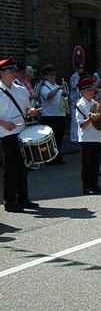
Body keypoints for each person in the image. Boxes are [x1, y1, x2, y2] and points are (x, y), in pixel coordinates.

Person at [0, 58, 41, 212]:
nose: (13, 73)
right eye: (10, 71)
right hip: (5, 135)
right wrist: (4, 123)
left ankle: (23, 198)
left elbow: (26, 110)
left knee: (23, 167)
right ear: (1, 73)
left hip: (22, 133)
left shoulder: (21, 90)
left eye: (14, 70)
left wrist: (31, 112)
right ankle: (10, 201)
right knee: (10, 169)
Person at [75, 76, 101, 194]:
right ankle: (86, 187)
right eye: (89, 90)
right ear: (83, 92)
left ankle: (95, 185)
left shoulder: (96, 103)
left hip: (97, 136)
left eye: (93, 90)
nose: (92, 92)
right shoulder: (80, 104)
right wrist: (90, 119)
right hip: (86, 138)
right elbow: (81, 125)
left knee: (95, 163)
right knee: (87, 164)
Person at [38, 64, 68, 164]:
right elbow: (49, 96)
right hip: (49, 116)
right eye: (51, 75)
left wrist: (63, 93)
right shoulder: (44, 86)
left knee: (59, 138)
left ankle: (57, 157)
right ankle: (49, 159)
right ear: (46, 76)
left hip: (60, 114)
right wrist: (58, 89)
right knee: (50, 139)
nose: (53, 77)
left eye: (54, 75)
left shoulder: (56, 85)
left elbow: (63, 97)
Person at [68, 64, 83, 143]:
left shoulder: (79, 76)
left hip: (77, 99)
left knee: (77, 118)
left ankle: (77, 136)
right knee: (74, 119)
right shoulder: (74, 76)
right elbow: (74, 86)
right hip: (74, 99)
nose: (82, 69)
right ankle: (73, 137)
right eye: (80, 68)